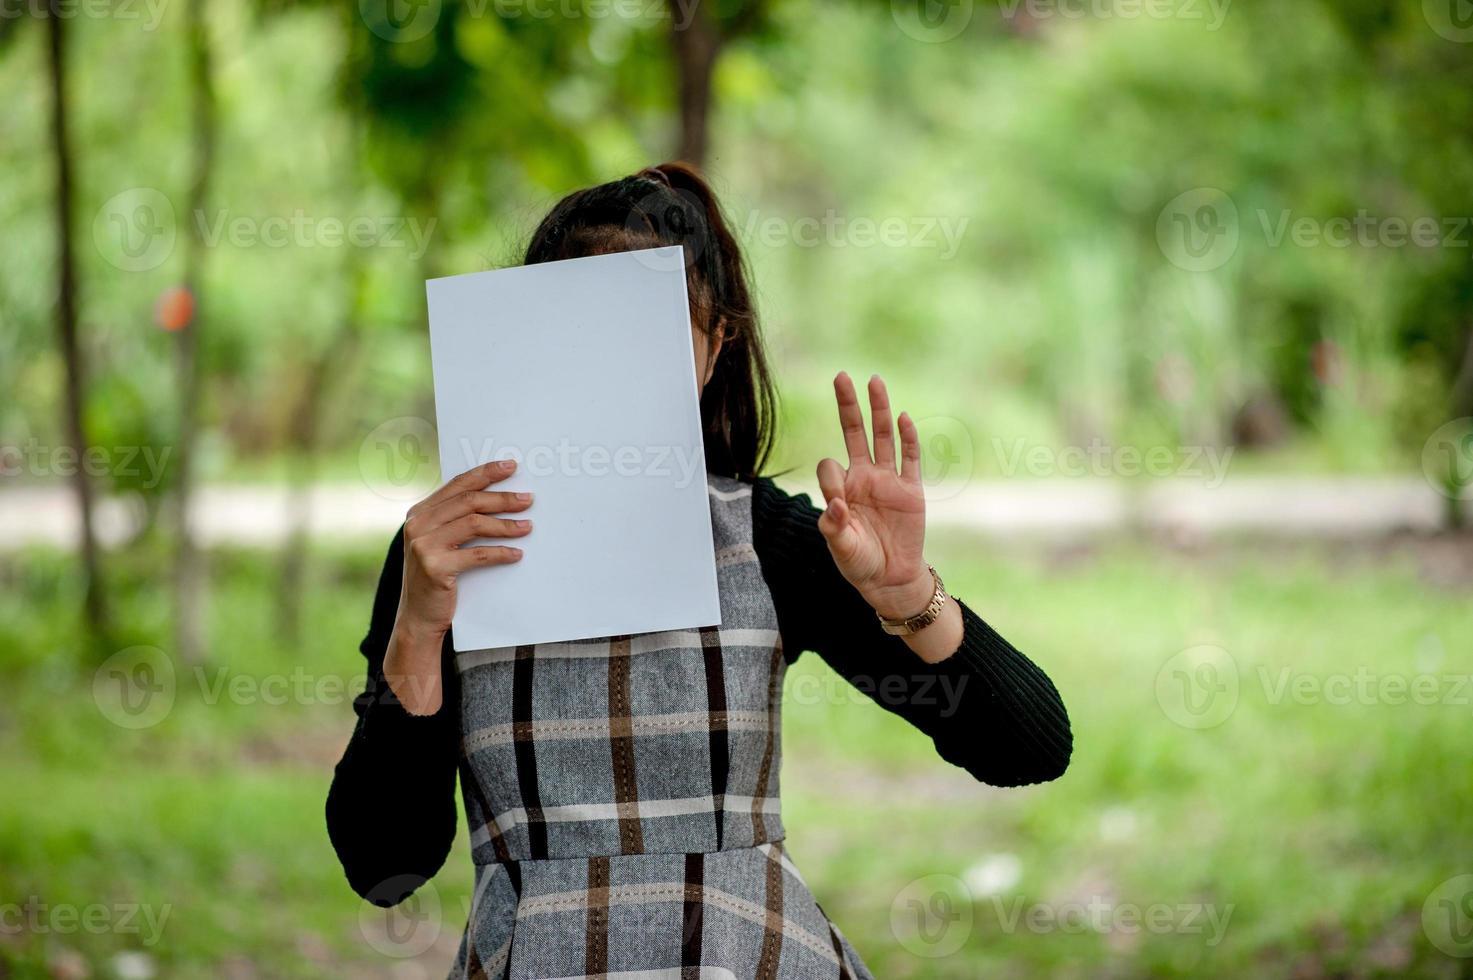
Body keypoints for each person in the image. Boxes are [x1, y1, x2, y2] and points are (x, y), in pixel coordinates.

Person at [326, 162, 1072, 978]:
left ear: (715, 349)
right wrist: (419, 626)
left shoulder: (769, 540)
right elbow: (383, 863)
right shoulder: (442, 553)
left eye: (651, 334)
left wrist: (908, 596)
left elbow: (1028, 747)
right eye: (579, 328)